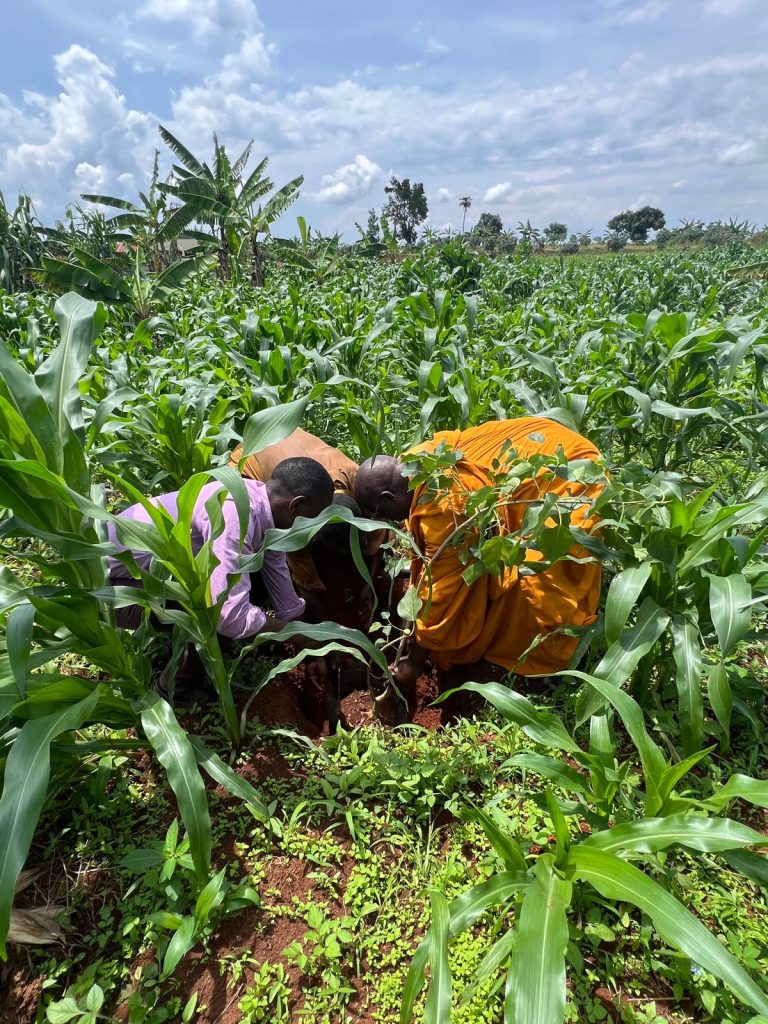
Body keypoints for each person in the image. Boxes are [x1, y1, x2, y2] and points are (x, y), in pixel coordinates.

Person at [354, 417, 604, 694]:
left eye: (382, 514)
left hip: (571, 477)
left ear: (389, 496)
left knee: (544, 581)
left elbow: (443, 594)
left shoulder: (444, 506)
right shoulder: (420, 459)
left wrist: (413, 663)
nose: (387, 522)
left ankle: (546, 670)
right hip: (547, 445)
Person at [107, 457, 334, 701]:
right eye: (313, 519)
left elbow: (282, 590)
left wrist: (311, 651)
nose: (311, 530)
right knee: (213, 613)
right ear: (296, 506)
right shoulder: (233, 513)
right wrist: (296, 634)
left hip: (152, 575)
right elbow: (230, 617)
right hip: (115, 589)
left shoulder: (262, 507)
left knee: (251, 585)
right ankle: (172, 690)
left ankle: (180, 645)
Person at [230, 429, 382, 627]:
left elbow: (377, 535)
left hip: (291, 438)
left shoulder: (361, 482)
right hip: (252, 452)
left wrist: (368, 585)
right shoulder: (293, 520)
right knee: (259, 554)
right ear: (314, 532)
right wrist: (319, 633)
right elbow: (305, 579)